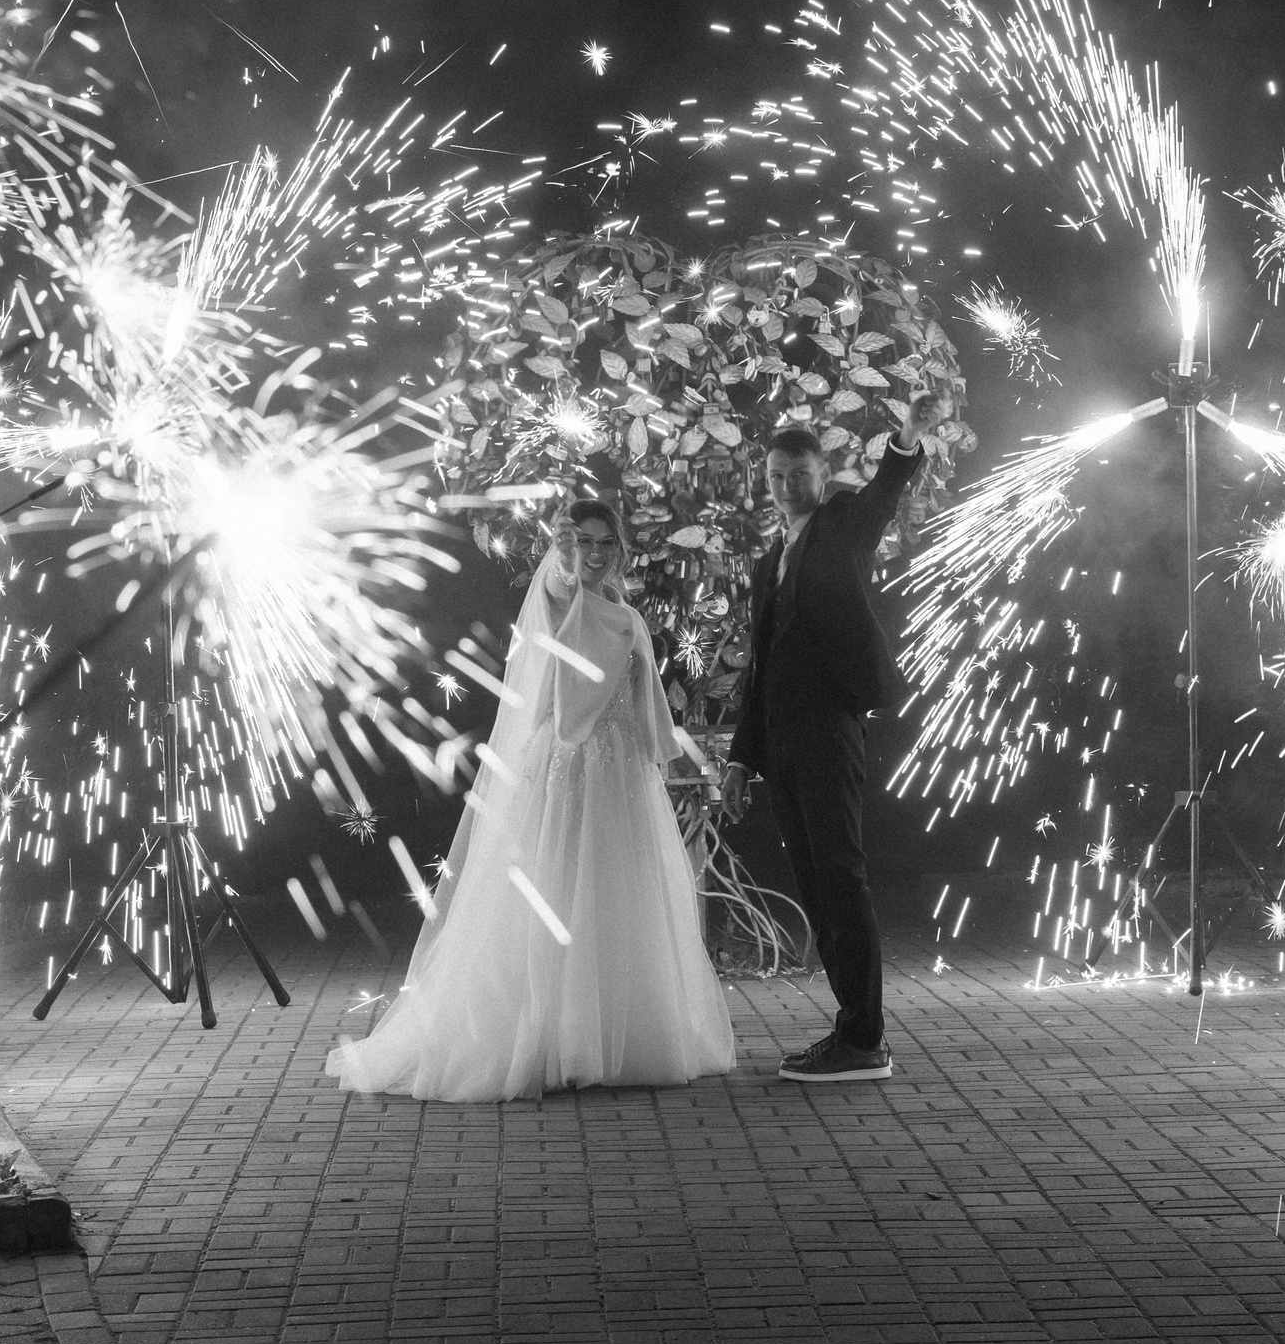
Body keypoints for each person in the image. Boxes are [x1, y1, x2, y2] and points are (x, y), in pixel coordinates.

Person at [327, 499, 736, 1100]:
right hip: (572, 763)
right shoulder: (560, 596)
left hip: (620, 768)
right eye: (584, 543)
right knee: (560, 885)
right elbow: (559, 603)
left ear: (620, 548)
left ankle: (616, 1029)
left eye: (605, 544)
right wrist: (566, 561)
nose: (595, 555)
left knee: (618, 888)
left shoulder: (623, 608)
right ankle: (558, 1033)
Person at [722, 392, 946, 1083]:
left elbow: (884, 493)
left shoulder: (844, 525)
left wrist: (906, 436)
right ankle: (851, 1029)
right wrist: (740, 762)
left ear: (822, 476)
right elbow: (759, 671)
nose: (787, 486)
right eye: (776, 476)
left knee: (842, 878)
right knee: (818, 887)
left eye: (798, 473)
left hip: (830, 734)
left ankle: (865, 1038)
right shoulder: (768, 564)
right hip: (783, 746)